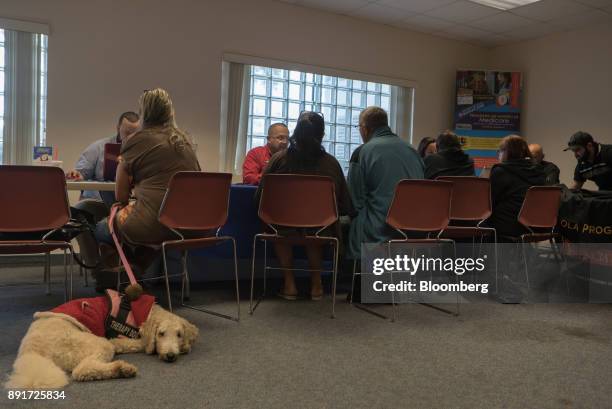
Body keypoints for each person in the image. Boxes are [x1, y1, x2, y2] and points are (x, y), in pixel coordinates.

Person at [93, 88, 201, 286]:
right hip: (194, 224)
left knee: (101, 228)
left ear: (143, 113)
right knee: (149, 233)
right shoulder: (186, 141)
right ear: (170, 112)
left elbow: (121, 195)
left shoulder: (137, 140)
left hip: (155, 224)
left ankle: (121, 276)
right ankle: (134, 271)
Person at [256, 112, 354, 300]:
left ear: (295, 133)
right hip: (320, 228)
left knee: (279, 226)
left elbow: (260, 198)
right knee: (316, 227)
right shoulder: (331, 164)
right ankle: (316, 285)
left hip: (282, 227)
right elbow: (344, 204)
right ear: (322, 135)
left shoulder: (278, 160)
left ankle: (289, 284)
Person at [348, 106, 424, 260]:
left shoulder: (362, 152)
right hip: (413, 229)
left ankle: (358, 280)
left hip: (378, 232)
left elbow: (354, 201)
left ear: (365, 129)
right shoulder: (413, 151)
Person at [67, 111, 140, 200]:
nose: (131, 138)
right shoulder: (98, 147)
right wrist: (76, 175)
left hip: (129, 202)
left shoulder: (143, 151)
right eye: (127, 133)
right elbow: (81, 174)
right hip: (97, 201)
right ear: (118, 128)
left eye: (135, 134)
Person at [488, 135, 546, 238]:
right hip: (538, 225)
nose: (499, 155)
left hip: (510, 225)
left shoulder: (500, 171)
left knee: (479, 222)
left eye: (500, 151)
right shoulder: (539, 171)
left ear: (507, 152)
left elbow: (489, 202)